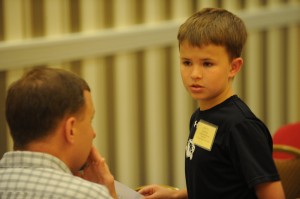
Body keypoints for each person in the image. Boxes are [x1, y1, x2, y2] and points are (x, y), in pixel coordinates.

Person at [138, 8, 285, 199]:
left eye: (207, 64)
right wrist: (175, 195)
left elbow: (273, 194)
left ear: (234, 67)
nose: (195, 74)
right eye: (187, 62)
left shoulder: (240, 126)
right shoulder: (200, 117)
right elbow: (218, 185)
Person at [0, 67, 117, 199]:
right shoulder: (87, 195)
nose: (93, 133)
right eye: (90, 121)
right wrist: (109, 195)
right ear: (71, 129)